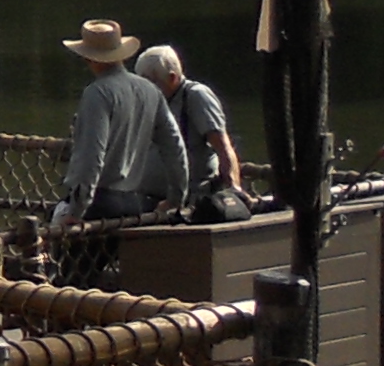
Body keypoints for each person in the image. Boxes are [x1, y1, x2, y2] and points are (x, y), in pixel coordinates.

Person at [50, 19, 184, 230]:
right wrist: (176, 197)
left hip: (99, 203)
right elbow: (175, 147)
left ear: (88, 57)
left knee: (61, 254)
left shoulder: (97, 93)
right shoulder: (151, 91)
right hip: (135, 202)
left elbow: (91, 157)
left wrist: (76, 211)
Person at [141, 43, 252, 222]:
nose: (145, 90)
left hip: (190, 201)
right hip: (149, 198)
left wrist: (234, 191)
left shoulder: (196, 96)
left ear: (172, 78)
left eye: (151, 82)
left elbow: (223, 147)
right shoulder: (152, 102)